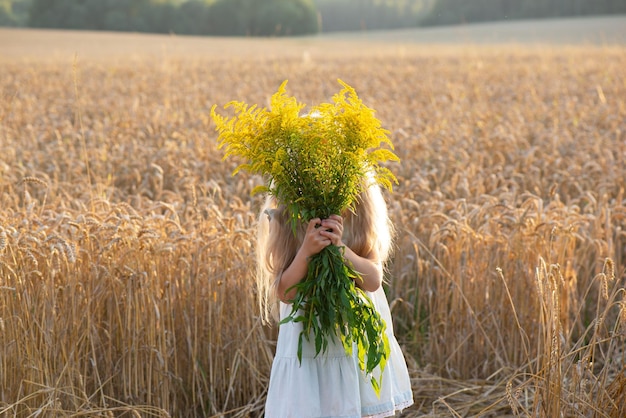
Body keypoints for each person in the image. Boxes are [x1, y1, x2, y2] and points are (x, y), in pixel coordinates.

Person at [256, 178, 414, 418]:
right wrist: (307, 250)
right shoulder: (287, 211)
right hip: (308, 343)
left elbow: (372, 279)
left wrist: (339, 248)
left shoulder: (361, 206)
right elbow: (286, 293)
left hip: (353, 340)